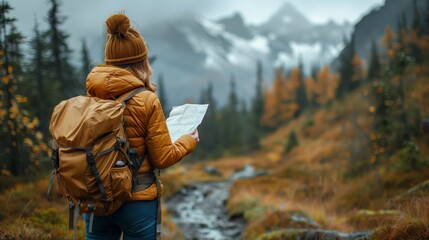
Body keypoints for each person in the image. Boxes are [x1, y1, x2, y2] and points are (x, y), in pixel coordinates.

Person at [83, 13, 199, 240]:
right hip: (137, 200)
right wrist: (188, 141)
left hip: (97, 197)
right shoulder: (146, 99)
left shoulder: (90, 96)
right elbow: (161, 159)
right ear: (141, 61)